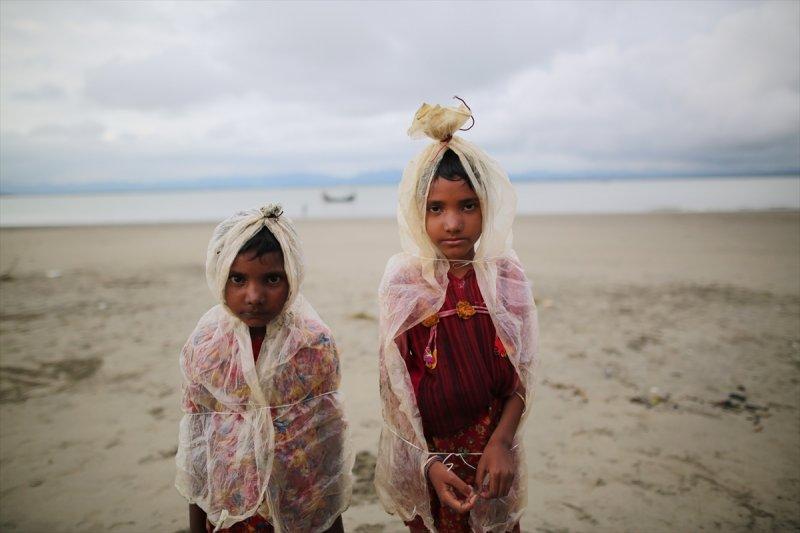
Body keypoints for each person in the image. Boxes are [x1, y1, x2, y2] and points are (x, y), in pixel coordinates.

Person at [374, 101, 539, 532]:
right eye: (436, 208)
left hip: (491, 453)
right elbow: (395, 393)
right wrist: (425, 463)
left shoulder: (504, 275)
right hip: (428, 457)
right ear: (416, 211)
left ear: (488, 206)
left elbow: (521, 376)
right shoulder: (404, 282)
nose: (452, 223)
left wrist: (501, 442)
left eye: (468, 206)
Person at [175, 204, 353, 533]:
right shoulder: (206, 347)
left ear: (292, 278)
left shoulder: (313, 344)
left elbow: (329, 440)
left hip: (300, 501)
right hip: (232, 509)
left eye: (271, 279)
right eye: (238, 279)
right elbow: (197, 441)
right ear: (218, 276)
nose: (254, 296)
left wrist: (332, 521)